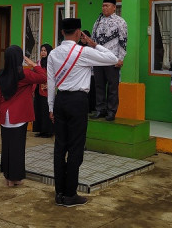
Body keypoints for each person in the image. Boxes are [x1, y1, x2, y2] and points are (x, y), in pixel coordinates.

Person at [47, 18, 118, 207]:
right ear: (79, 33)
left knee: (59, 147)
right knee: (76, 147)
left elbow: (51, 82)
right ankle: (70, 194)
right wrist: (94, 44)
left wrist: (50, 107)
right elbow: (112, 59)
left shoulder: (53, 54)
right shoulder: (83, 52)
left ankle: (59, 192)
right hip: (78, 102)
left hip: (60, 100)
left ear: (62, 32)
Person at [0, 45, 46, 186]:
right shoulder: (23, 74)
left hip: (5, 115)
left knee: (6, 147)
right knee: (17, 148)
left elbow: (0, 96)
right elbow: (44, 77)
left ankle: (7, 177)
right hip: (18, 116)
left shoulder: (1, 74)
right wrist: (33, 64)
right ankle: (15, 178)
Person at [91, 0, 127, 121]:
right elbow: (94, 40)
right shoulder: (97, 21)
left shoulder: (120, 21)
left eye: (107, 5)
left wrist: (120, 58)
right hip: (98, 58)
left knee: (112, 86)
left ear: (114, 8)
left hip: (112, 58)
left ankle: (111, 111)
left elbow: (123, 41)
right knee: (99, 85)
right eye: (103, 5)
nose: (104, 8)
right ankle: (100, 109)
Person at [33, 43, 54, 138]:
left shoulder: (51, 63)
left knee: (46, 110)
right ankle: (41, 130)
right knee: (38, 109)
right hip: (38, 88)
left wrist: (49, 85)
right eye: (42, 50)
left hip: (47, 89)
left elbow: (53, 76)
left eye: (45, 51)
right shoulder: (38, 62)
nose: (43, 52)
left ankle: (48, 131)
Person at [78, 30, 96, 113]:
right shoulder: (78, 47)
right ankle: (86, 108)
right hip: (82, 73)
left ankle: (93, 107)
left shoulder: (92, 46)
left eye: (84, 38)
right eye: (81, 38)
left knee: (93, 90)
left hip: (92, 73)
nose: (82, 40)